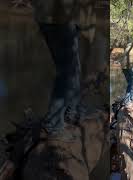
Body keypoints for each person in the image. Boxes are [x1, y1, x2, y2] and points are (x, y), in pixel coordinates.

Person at [31, 0, 96, 140]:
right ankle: (53, 124)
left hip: (60, 16)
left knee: (73, 68)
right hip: (58, 17)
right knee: (67, 72)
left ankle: (72, 111)